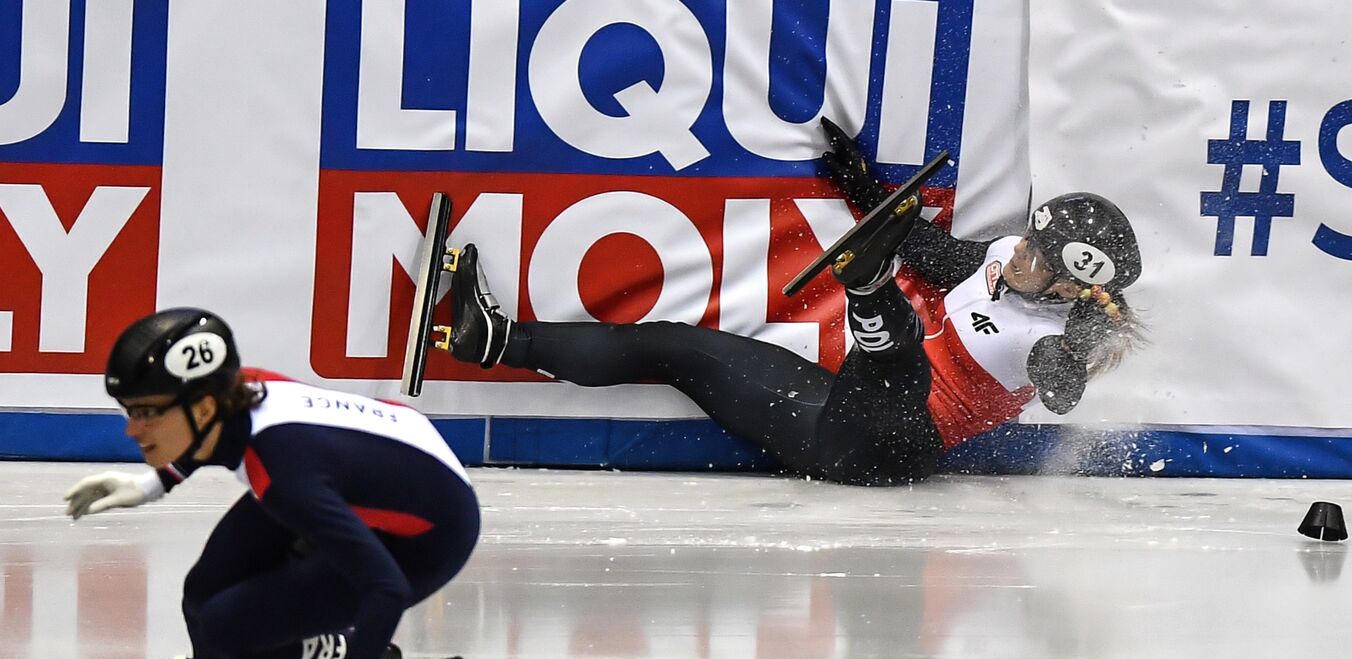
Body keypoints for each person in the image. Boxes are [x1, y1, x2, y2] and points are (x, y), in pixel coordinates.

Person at [434, 119, 1145, 486]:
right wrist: (866, 190)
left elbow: (1061, 380)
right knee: (677, 347)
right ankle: (495, 339)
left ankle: (868, 292)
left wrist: (1064, 367)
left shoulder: (1066, 332)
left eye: (1038, 258)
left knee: (898, 361)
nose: (1017, 251)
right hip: (843, 423)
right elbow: (935, 255)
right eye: (1026, 239)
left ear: (1067, 287)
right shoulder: (1002, 262)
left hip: (898, 447)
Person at [64, 308, 480, 659]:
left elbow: (387, 589)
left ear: (202, 408)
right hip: (365, 472)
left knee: (228, 627)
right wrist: (152, 485)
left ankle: (335, 653)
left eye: (145, 414)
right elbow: (210, 442)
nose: (132, 429)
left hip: (428, 539)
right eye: (130, 412)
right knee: (202, 589)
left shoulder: (285, 478)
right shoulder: (239, 392)